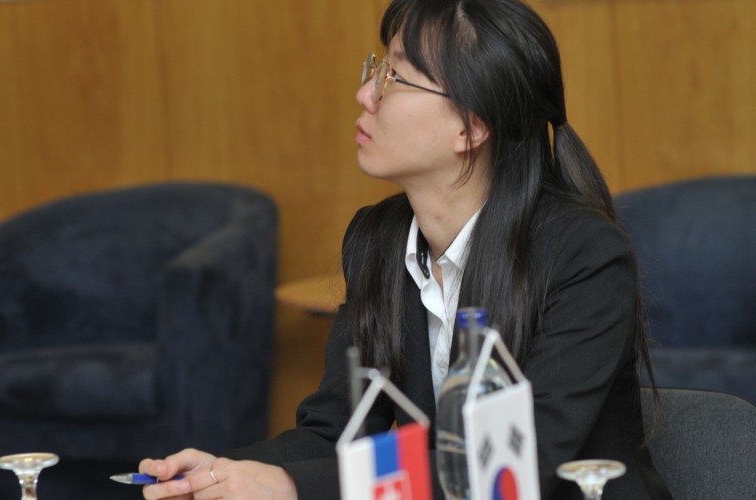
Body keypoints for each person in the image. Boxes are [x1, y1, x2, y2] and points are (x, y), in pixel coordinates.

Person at [138, 0, 673, 498]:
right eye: (376, 69)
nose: (366, 94)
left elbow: (514, 464)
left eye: (393, 77)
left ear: (471, 127)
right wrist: (222, 472)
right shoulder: (377, 242)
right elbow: (336, 433)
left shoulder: (584, 256)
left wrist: (291, 486)